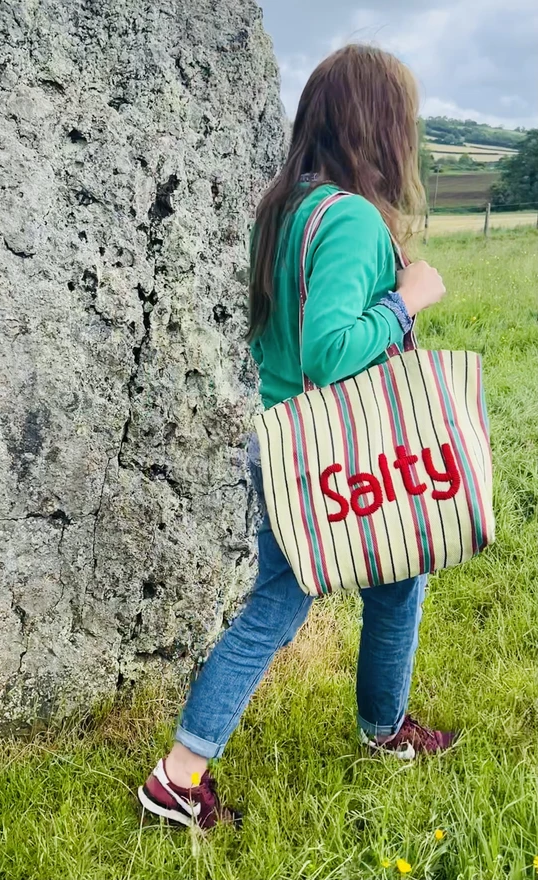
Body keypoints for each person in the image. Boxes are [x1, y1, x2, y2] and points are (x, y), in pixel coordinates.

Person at [137, 44, 455, 830]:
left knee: (395, 577)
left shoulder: (286, 209)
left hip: (286, 439)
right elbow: (328, 347)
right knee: (279, 607)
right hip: (331, 453)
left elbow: (280, 340)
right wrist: (409, 298)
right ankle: (178, 776)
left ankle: (385, 729)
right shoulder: (347, 217)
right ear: (379, 127)